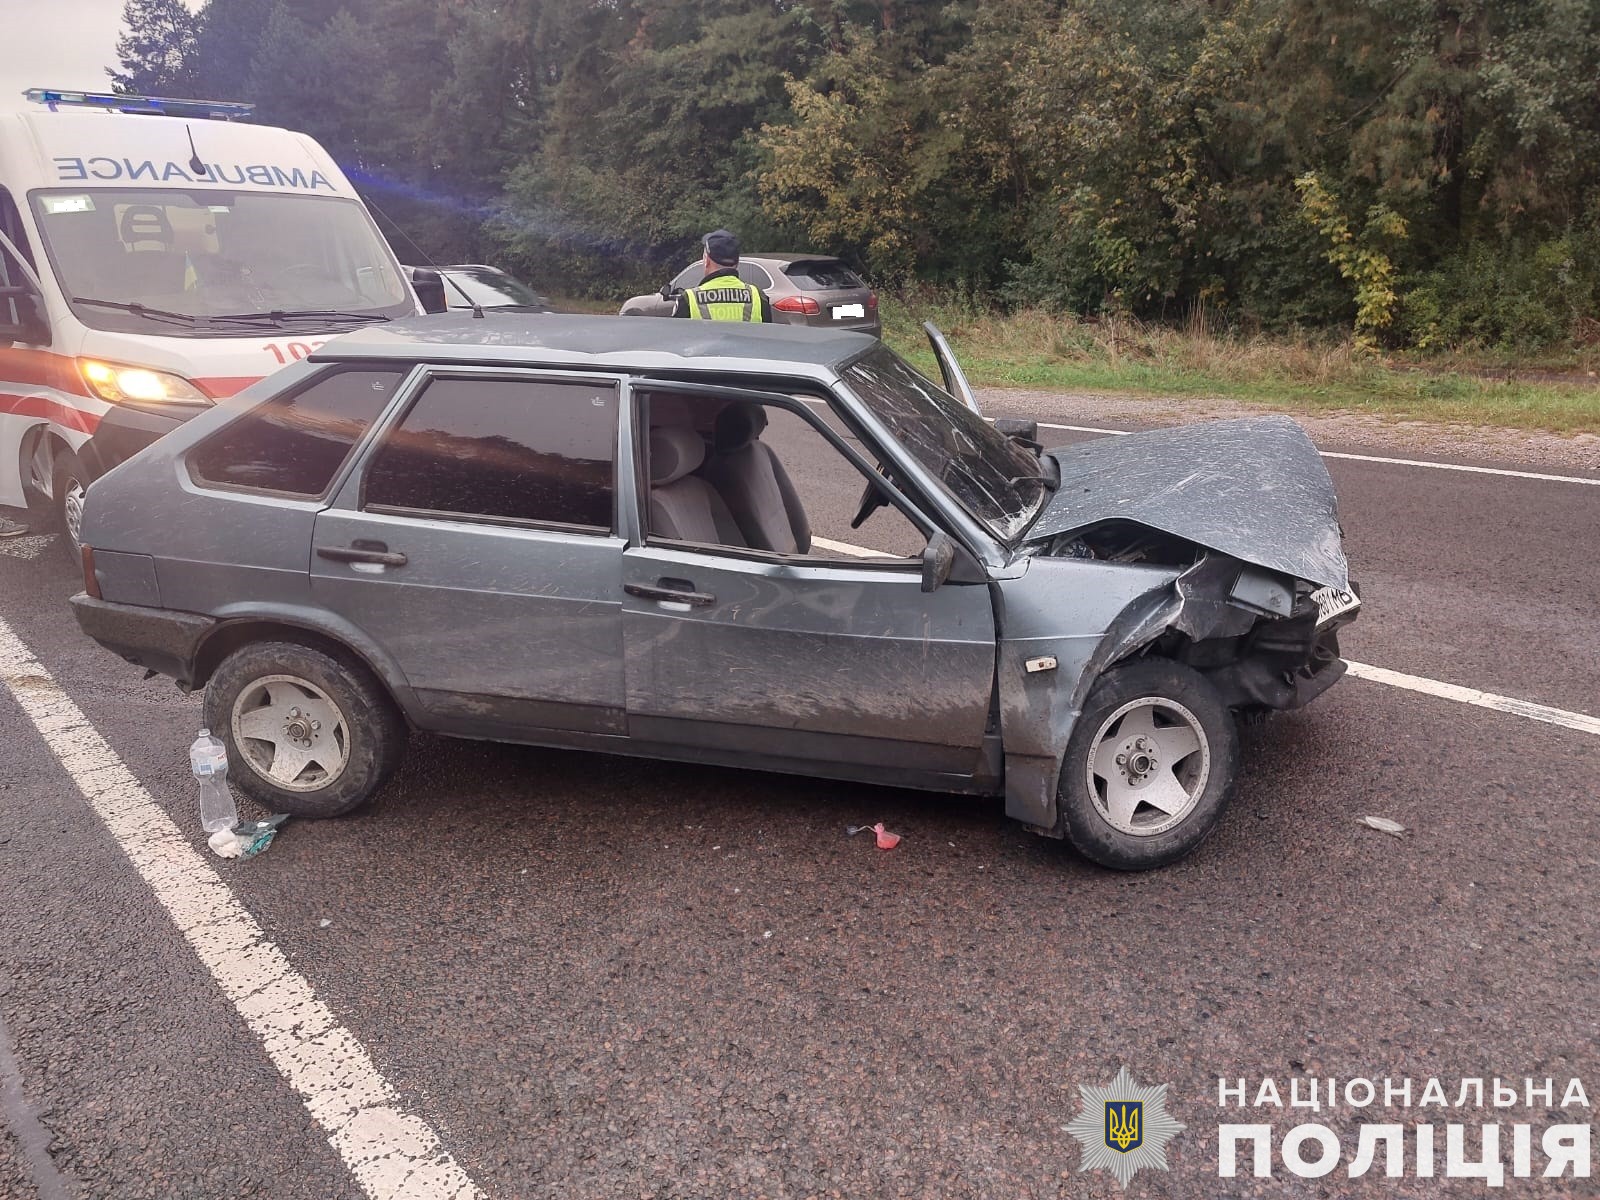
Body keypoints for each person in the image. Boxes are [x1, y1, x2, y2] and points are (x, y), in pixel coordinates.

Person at [672, 229, 773, 323]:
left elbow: (677, 335)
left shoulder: (688, 300)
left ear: (706, 260)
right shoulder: (758, 297)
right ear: (737, 262)